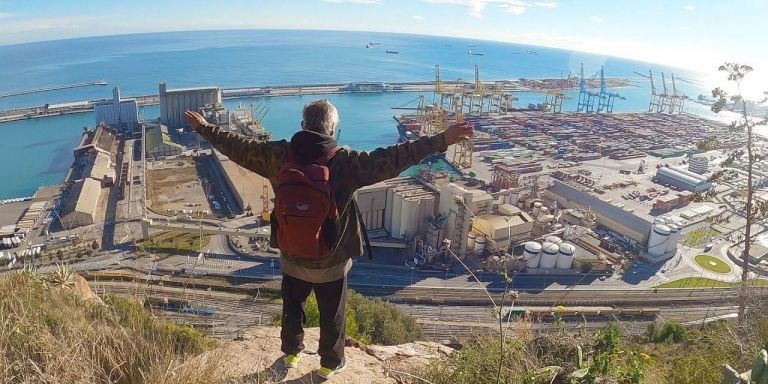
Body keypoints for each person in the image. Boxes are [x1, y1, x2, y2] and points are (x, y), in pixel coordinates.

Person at [184, 100, 472, 379]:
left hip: (292, 253)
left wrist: (205, 127)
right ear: (332, 130)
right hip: (331, 259)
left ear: (302, 125)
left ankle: (291, 354)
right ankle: (329, 364)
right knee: (332, 313)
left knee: (292, 307)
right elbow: (394, 158)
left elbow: (237, 147)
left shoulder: (278, 155)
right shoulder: (346, 163)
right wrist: (441, 140)